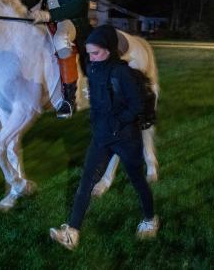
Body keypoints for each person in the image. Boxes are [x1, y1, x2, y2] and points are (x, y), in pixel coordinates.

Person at [49, 25, 159, 251]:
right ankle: (72, 232)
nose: (91, 58)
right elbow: (98, 103)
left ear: (109, 50)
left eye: (96, 53)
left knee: (137, 181)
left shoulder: (123, 73)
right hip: (101, 137)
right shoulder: (93, 68)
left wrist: (118, 123)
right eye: (89, 54)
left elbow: (137, 105)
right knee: (86, 182)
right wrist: (97, 123)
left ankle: (150, 219)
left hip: (126, 138)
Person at [23, 0, 94, 119]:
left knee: (61, 39)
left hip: (72, 20)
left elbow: (78, 5)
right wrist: (20, 7)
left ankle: (69, 100)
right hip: (49, 19)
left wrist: (48, 15)